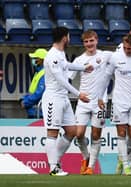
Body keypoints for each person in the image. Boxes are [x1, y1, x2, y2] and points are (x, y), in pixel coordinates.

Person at [42, 26, 93, 176]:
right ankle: (53, 168)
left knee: (71, 132)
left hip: (63, 98)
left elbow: (66, 65)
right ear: (65, 37)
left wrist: (83, 68)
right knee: (52, 132)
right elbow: (60, 79)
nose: (69, 39)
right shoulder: (52, 55)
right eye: (69, 36)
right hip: (53, 98)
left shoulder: (60, 53)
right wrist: (78, 94)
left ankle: (56, 161)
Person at [98, 33, 131, 176]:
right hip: (119, 101)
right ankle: (126, 165)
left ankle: (122, 157)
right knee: (121, 133)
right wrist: (100, 96)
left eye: (129, 48)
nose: (127, 51)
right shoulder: (116, 57)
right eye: (125, 48)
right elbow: (106, 77)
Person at [69, 30, 112, 175]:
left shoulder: (105, 55)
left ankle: (90, 167)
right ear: (83, 43)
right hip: (83, 101)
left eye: (91, 41)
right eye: (86, 42)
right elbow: (69, 76)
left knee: (95, 135)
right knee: (79, 134)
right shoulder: (79, 60)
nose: (89, 44)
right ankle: (86, 158)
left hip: (100, 102)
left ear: (97, 40)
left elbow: (122, 57)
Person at [20, 48, 48, 118]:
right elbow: (32, 92)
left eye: (36, 58)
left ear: (42, 60)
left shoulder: (44, 73)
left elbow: (39, 93)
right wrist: (24, 98)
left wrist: (25, 102)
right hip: (34, 111)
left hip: (39, 113)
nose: (34, 60)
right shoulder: (38, 73)